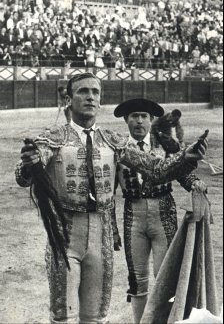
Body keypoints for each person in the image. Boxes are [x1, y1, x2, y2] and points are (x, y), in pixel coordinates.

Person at [15, 74, 208, 324]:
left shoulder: (113, 141)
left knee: (95, 317)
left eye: (95, 92)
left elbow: (156, 169)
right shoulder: (53, 138)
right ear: (68, 99)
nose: (90, 97)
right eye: (83, 91)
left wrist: (186, 157)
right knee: (63, 315)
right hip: (64, 233)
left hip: (101, 236)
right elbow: (23, 176)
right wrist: (29, 164)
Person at [113, 99, 207, 324]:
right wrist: (112, 227)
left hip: (163, 212)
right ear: (126, 120)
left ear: (151, 120)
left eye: (144, 116)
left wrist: (194, 182)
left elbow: (182, 174)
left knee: (165, 277)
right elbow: (107, 190)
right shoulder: (117, 148)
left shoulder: (165, 145)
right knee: (137, 279)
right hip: (132, 216)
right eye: (134, 116)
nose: (139, 121)